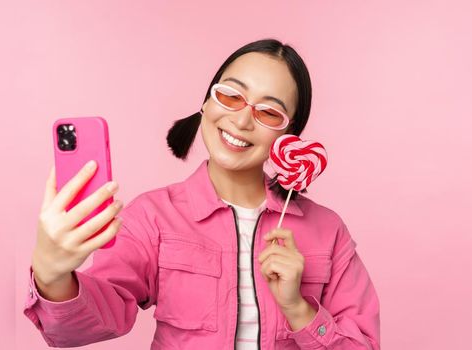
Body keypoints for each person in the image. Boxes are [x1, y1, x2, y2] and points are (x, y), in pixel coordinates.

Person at [24, 38, 380, 349]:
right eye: (230, 95)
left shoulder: (328, 231)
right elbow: (82, 327)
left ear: (290, 138)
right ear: (207, 104)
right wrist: (52, 275)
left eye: (269, 112)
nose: (242, 121)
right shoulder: (153, 216)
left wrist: (299, 310)